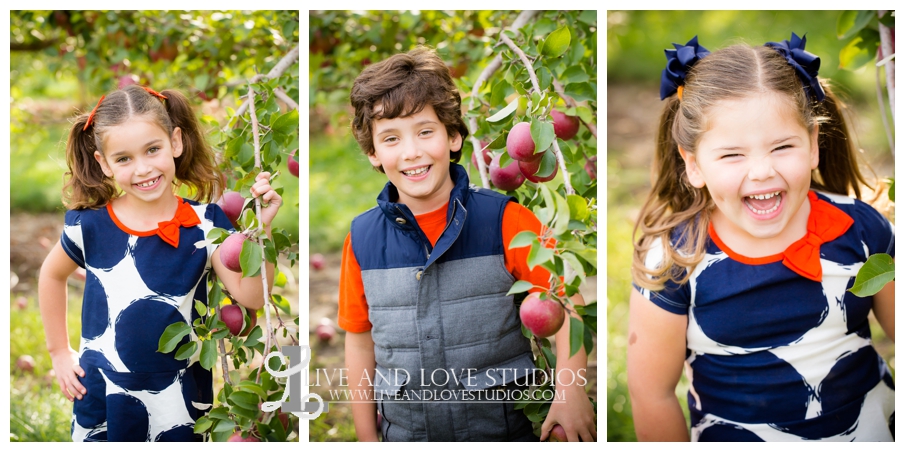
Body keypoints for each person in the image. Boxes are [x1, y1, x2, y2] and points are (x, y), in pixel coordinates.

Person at [627, 34, 895, 442]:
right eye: (733, 154)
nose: (761, 172)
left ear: (812, 146)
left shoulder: (860, 230)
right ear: (694, 164)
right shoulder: (675, 260)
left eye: (782, 147)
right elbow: (652, 394)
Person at [338, 46, 597, 442]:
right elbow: (359, 341)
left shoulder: (505, 221)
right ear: (373, 153)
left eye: (426, 131)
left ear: (454, 136)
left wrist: (571, 390)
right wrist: (366, 438)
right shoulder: (362, 240)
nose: (412, 152)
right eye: (391, 138)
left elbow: (567, 305)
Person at [38, 84, 283, 441]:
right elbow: (51, 275)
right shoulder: (90, 225)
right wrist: (59, 351)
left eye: (152, 149)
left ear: (176, 142)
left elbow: (252, 296)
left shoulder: (207, 225)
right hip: (105, 390)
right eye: (124, 159)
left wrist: (259, 233)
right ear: (103, 163)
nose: (143, 169)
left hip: (178, 397)